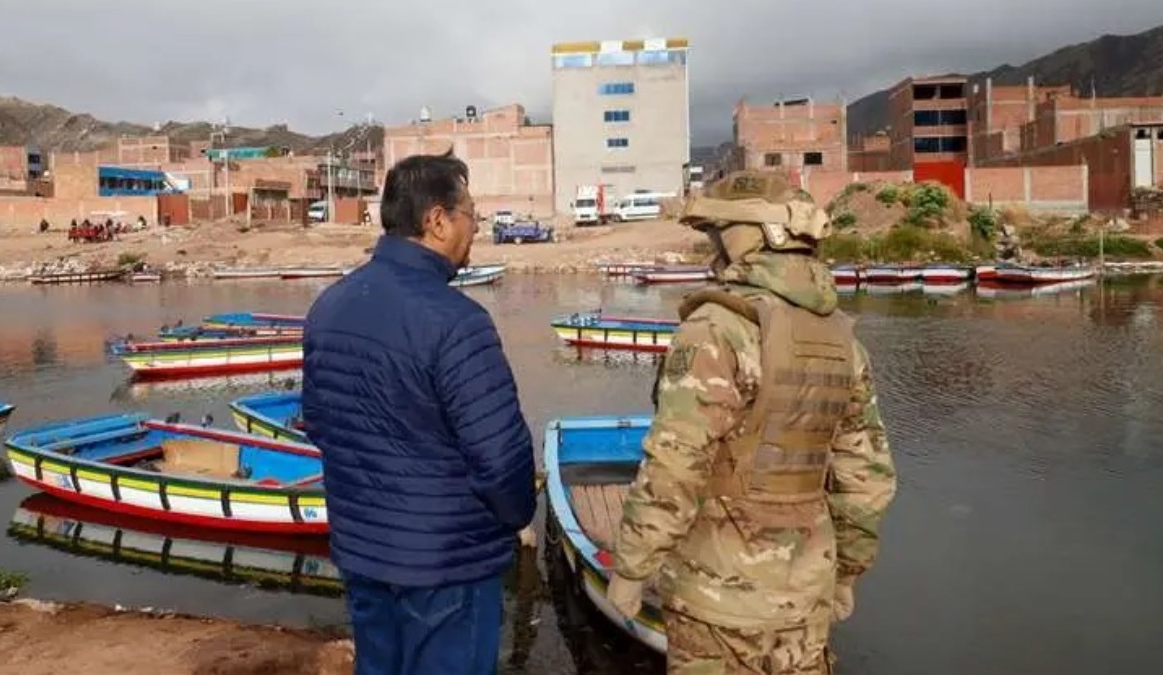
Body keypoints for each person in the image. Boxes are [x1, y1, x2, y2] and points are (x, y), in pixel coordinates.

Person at [605, 170, 898, 674]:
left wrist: (633, 568)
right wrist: (847, 570)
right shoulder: (843, 341)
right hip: (807, 595)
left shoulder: (716, 330)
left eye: (718, 235)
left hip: (716, 596)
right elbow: (867, 478)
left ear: (748, 236)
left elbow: (674, 465)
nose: (713, 250)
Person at [301, 150, 537, 675]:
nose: (476, 229)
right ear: (436, 221)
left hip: (363, 553)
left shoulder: (330, 305)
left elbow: (318, 422)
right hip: (448, 566)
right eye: (470, 215)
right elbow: (501, 459)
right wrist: (518, 517)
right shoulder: (458, 323)